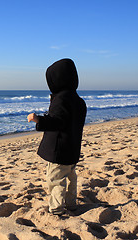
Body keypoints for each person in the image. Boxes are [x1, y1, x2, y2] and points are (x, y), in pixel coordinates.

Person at [27, 58, 87, 215]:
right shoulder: (79, 101)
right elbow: (72, 122)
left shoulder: (61, 100)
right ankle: (71, 204)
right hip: (72, 149)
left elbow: (57, 122)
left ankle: (57, 208)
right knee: (71, 177)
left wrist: (38, 119)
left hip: (59, 151)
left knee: (56, 180)